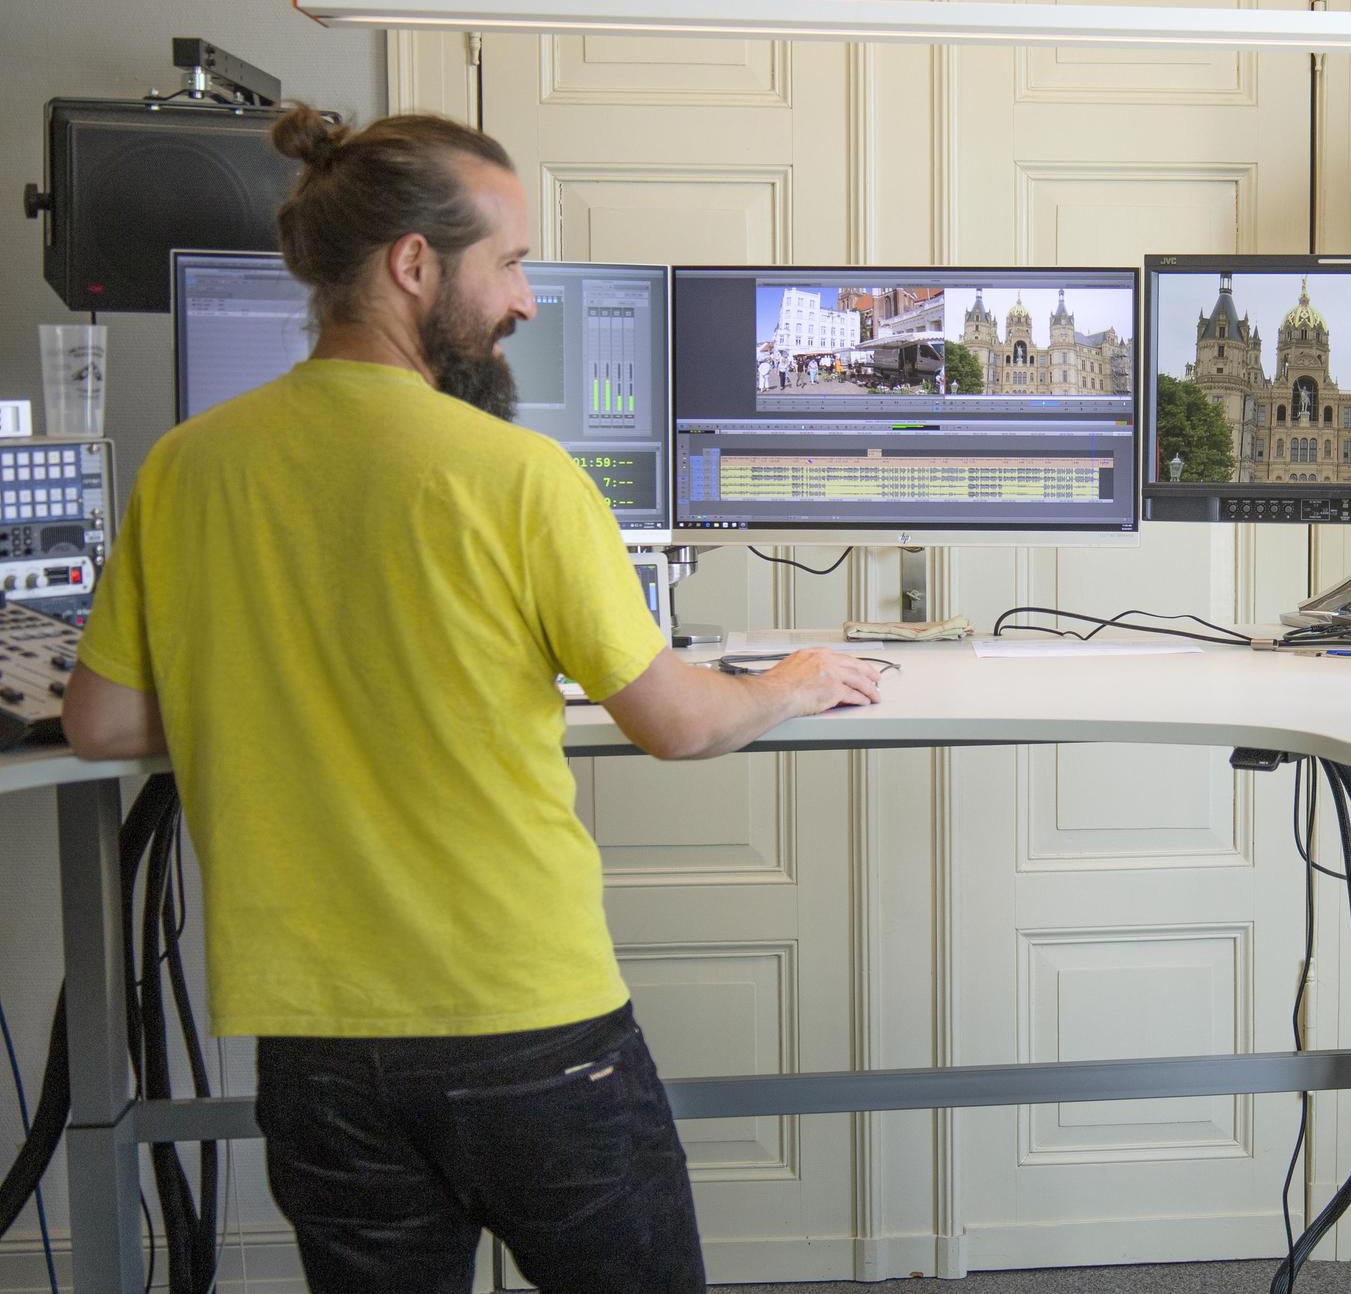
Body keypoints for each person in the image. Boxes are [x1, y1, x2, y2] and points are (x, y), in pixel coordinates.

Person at [60, 104, 885, 1294]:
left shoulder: (189, 463)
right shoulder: (519, 475)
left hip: (315, 1046)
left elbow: (102, 722)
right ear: (411, 265)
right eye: (509, 261)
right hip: (525, 1026)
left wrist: (277, 680)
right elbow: (677, 720)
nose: (528, 299)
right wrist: (796, 680)